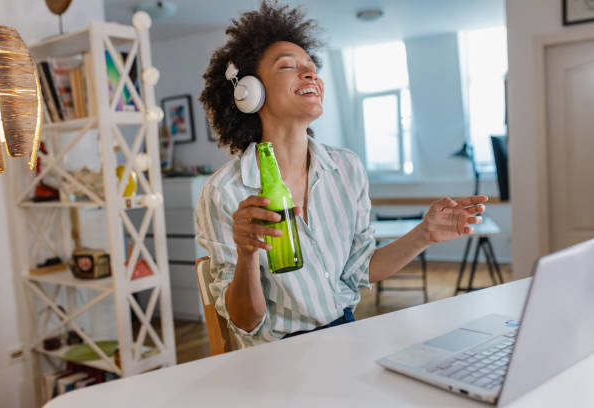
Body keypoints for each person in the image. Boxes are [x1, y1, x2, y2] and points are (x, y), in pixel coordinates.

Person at [196, 0, 488, 349]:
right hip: (275, 354)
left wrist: (425, 234)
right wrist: (246, 254)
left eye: (311, 66)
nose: (310, 74)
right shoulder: (224, 192)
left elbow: (360, 269)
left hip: (347, 334)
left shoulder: (346, 168)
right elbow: (245, 320)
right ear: (249, 93)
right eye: (288, 66)